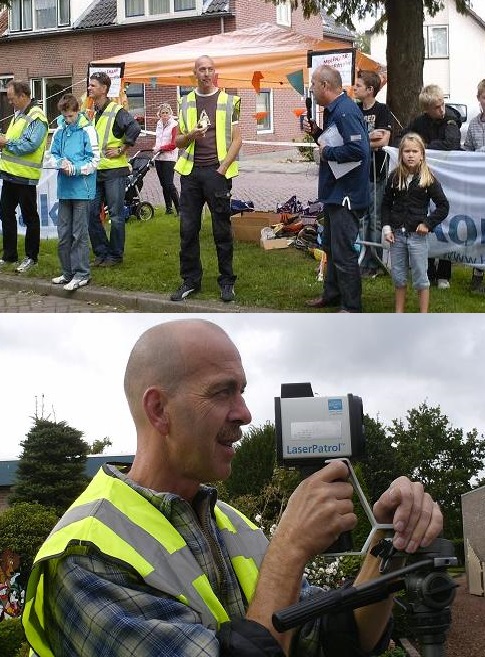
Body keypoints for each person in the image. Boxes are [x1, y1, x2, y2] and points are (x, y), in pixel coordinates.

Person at [22, 318, 443, 657]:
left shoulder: (235, 526)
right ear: (159, 409)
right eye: (223, 392)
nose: (244, 413)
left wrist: (389, 545)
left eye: (242, 391)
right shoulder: (85, 556)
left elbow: (332, 638)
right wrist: (289, 549)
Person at [171, 55, 242, 303]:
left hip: (216, 172)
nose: (206, 73)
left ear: (215, 72)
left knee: (221, 229)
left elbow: (237, 139)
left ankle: (227, 282)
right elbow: (177, 141)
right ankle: (190, 280)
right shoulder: (185, 102)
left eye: (210, 69)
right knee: (187, 230)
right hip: (191, 174)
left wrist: (222, 168)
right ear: (194, 73)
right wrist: (191, 134)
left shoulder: (229, 100)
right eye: (202, 69)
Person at [304, 65, 370, 313]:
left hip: (347, 196)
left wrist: (326, 152)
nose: (311, 88)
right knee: (331, 248)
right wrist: (318, 135)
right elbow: (336, 140)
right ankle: (331, 294)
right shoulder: (335, 111)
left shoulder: (345, 112)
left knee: (343, 253)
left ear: (324, 86)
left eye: (313, 84)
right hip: (335, 192)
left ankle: (351, 307)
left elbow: (358, 151)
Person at [382, 133, 449, 313]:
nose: (410, 155)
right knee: (398, 276)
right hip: (396, 235)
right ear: (401, 154)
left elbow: (443, 206)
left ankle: (423, 315)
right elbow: (386, 204)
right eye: (406, 151)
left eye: (414, 151)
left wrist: (427, 223)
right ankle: (399, 313)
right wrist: (387, 227)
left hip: (417, 237)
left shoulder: (428, 179)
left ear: (422, 155)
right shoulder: (395, 177)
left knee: (421, 278)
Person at [403, 84, 461, 290]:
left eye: (442, 104)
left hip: (448, 180)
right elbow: (404, 138)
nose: (441, 110)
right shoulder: (419, 122)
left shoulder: (451, 118)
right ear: (426, 109)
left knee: (446, 220)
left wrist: (425, 147)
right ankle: (428, 269)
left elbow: (452, 143)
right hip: (424, 180)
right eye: (436, 107)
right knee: (423, 218)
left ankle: (444, 272)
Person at [45, 94, 100, 291]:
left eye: (70, 116)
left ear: (77, 111)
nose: (67, 120)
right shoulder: (60, 130)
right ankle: (67, 273)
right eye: (64, 116)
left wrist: (75, 168)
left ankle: (82, 274)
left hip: (82, 189)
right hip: (64, 189)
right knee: (63, 234)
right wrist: (61, 163)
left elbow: (94, 160)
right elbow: (52, 155)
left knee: (79, 233)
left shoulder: (88, 130)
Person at [87, 71, 141, 267]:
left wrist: (121, 149)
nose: (89, 88)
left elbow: (134, 128)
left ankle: (115, 256)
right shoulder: (95, 113)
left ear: (104, 89)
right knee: (91, 214)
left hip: (114, 171)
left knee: (116, 215)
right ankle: (101, 253)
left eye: (93, 85)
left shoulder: (116, 110)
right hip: (97, 171)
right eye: (90, 85)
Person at [0, 80, 48, 273]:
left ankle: (31, 257)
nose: (10, 102)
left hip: (26, 177)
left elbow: (29, 145)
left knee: (30, 217)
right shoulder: (18, 115)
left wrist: (5, 142)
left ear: (23, 96)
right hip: (10, 175)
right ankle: (9, 255)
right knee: (5, 214)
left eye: (12, 99)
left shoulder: (37, 117)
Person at [353, 70, 392, 278]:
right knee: (362, 218)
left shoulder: (382, 110)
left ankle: (374, 262)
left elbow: (384, 140)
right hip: (359, 172)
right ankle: (363, 257)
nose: (354, 88)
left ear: (370, 90)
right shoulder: (354, 109)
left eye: (358, 85)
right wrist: (369, 138)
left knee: (375, 217)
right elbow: (352, 140)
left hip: (377, 171)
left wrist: (361, 141)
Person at [463, 79, 485, 294]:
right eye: (484, 96)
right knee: (480, 229)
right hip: (480, 190)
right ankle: (478, 274)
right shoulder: (474, 124)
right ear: (479, 98)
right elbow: (467, 151)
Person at [153, 103, 180, 215]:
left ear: (170, 113)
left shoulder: (174, 125)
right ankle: (168, 208)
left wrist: (161, 148)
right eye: (162, 113)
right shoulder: (159, 124)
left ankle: (179, 208)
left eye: (166, 113)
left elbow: (174, 144)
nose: (164, 115)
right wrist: (156, 147)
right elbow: (158, 139)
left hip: (169, 158)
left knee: (169, 184)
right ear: (160, 114)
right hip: (159, 157)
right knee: (163, 184)